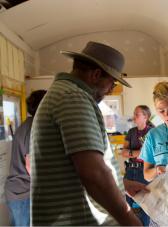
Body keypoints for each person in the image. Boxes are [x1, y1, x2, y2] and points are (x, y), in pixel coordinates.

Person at [30, 41, 147, 226]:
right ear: (95, 75)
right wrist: (130, 220)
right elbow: (93, 173)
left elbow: (73, 169)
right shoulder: (73, 97)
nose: (110, 90)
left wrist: (121, 185)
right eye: (112, 83)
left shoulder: (64, 93)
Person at [4, 90, 46, 227]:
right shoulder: (35, 127)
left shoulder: (27, 124)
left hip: (18, 192)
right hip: (23, 193)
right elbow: (31, 166)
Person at [121, 105, 154, 226]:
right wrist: (138, 153)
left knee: (143, 205)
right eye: (134, 114)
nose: (133, 117)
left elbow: (153, 153)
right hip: (130, 170)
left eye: (137, 114)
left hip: (144, 171)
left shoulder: (153, 132)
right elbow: (123, 152)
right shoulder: (131, 132)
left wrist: (133, 153)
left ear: (146, 116)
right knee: (128, 205)